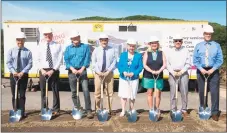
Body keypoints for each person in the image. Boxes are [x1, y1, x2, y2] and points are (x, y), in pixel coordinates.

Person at [193, 24, 223, 121]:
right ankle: (203, 108)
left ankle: (214, 112)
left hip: (213, 71)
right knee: (202, 91)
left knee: (214, 92)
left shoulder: (216, 46)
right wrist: (201, 69)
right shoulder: (198, 46)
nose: (208, 35)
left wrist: (212, 69)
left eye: (210, 34)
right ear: (203, 34)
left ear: (211, 34)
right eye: (206, 33)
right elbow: (195, 60)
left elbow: (220, 60)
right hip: (201, 70)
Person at [64, 31, 93, 119]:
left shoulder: (85, 47)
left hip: (82, 71)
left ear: (79, 37)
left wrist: (81, 69)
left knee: (85, 90)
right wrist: (72, 69)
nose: (75, 39)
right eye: (73, 38)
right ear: (71, 39)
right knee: (74, 92)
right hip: (72, 72)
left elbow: (87, 59)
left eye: (76, 37)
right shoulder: (68, 48)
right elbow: (66, 60)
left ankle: (88, 110)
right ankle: (78, 108)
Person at [37, 28, 63, 116]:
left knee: (55, 90)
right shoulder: (40, 45)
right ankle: (44, 108)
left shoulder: (58, 45)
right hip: (43, 70)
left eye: (49, 34)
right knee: (43, 91)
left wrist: (53, 70)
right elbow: (38, 59)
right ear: (44, 36)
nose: (47, 36)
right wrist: (42, 70)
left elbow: (60, 59)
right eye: (45, 34)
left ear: (52, 35)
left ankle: (56, 109)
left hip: (54, 70)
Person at [6, 32, 33, 118]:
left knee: (22, 95)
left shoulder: (28, 52)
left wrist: (22, 72)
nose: (19, 42)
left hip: (23, 75)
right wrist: (13, 71)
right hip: (13, 75)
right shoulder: (11, 51)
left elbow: (30, 63)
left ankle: (21, 111)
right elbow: (8, 62)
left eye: (21, 40)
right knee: (14, 94)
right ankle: (15, 110)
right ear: (16, 40)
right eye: (18, 40)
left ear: (24, 40)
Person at [117, 39, 143, 117]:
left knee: (132, 95)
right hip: (124, 78)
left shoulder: (138, 55)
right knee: (123, 95)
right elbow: (119, 65)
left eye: (133, 46)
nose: (131, 48)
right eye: (130, 46)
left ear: (135, 47)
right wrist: (123, 72)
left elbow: (140, 67)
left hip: (133, 79)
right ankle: (123, 110)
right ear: (127, 46)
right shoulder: (123, 55)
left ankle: (131, 109)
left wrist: (134, 73)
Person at [91, 34, 117, 114]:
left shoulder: (112, 50)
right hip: (98, 74)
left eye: (105, 40)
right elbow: (93, 62)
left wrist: (108, 71)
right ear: (100, 41)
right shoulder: (96, 50)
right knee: (97, 93)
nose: (104, 42)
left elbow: (114, 61)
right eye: (102, 40)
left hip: (108, 73)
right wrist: (98, 72)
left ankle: (108, 109)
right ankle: (97, 109)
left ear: (108, 41)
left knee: (109, 93)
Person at [166, 34, 191, 117]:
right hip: (172, 73)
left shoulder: (186, 50)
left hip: (183, 74)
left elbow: (188, 63)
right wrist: (173, 72)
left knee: (184, 92)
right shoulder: (169, 51)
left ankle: (184, 109)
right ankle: (173, 109)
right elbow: (167, 64)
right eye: (176, 40)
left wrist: (181, 72)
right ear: (173, 42)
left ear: (182, 42)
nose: (178, 42)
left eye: (179, 41)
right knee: (173, 92)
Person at [142, 36, 166, 115]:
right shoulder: (147, 53)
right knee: (149, 93)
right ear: (150, 44)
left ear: (157, 44)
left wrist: (159, 71)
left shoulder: (161, 53)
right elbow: (144, 65)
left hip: (159, 75)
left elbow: (164, 64)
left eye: (155, 43)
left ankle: (157, 108)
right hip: (148, 75)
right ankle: (151, 109)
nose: (154, 44)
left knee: (158, 93)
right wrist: (151, 71)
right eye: (152, 43)